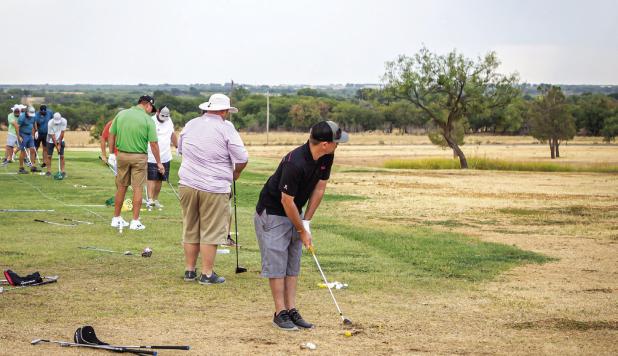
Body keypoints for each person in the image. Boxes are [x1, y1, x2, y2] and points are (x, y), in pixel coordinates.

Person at [254, 120, 348, 331]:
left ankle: (292, 309)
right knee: (277, 262)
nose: (338, 145)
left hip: (294, 211)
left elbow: (320, 188)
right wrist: (300, 230)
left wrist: (306, 220)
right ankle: (280, 313)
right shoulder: (294, 163)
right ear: (324, 143)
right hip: (273, 213)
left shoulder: (327, 156)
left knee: (292, 262)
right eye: (336, 142)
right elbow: (285, 200)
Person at [178, 93, 248, 285]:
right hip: (214, 186)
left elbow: (182, 149)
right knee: (210, 230)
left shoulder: (191, 124)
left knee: (191, 226)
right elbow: (242, 158)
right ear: (224, 111)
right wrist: (236, 173)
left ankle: (190, 271)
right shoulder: (226, 128)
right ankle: (207, 274)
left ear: (207, 108)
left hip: (187, 183)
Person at [108, 95, 164, 231]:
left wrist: (111, 153)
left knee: (121, 186)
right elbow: (154, 144)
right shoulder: (148, 119)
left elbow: (111, 133)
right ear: (148, 105)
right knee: (138, 188)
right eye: (151, 108)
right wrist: (159, 163)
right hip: (139, 157)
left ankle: (116, 218)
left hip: (121, 155)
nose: (151, 110)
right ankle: (135, 221)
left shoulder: (121, 114)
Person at [146, 106, 178, 210]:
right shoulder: (151, 121)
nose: (164, 118)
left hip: (166, 155)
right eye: (162, 116)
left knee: (160, 179)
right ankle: (149, 200)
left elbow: (172, 134)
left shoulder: (169, 120)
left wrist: (177, 146)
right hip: (152, 155)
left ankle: (155, 199)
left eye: (166, 117)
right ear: (158, 112)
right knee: (151, 178)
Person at [17, 106, 41, 174]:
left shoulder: (33, 116)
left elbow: (34, 122)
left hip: (29, 135)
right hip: (23, 134)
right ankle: (21, 168)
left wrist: (36, 131)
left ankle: (33, 167)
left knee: (33, 150)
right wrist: (19, 137)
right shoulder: (22, 117)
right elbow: (17, 127)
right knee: (23, 151)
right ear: (26, 112)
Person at [46, 112, 67, 177]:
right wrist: (56, 145)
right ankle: (49, 171)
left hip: (61, 139)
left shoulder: (64, 121)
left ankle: (63, 171)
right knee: (49, 156)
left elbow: (62, 133)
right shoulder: (50, 123)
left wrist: (59, 144)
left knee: (62, 156)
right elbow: (52, 135)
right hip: (50, 140)